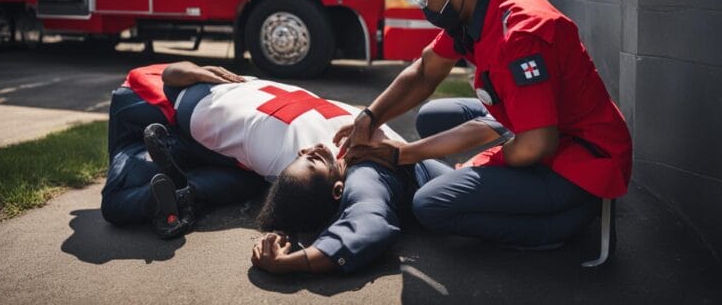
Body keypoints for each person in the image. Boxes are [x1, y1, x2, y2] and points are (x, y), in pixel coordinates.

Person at [337, 0, 633, 249]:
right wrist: (369, 117)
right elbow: (425, 72)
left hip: (580, 159)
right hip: (537, 122)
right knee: (431, 116)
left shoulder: (520, 36)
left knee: (430, 206)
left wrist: (409, 156)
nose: (420, 3)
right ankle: (515, 194)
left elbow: (537, 145)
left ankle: (561, 224)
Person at [100, 62, 456, 273]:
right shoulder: (370, 164)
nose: (310, 148)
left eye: (309, 158)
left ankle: (180, 187)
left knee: (116, 196)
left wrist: (291, 262)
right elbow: (367, 222)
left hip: (193, 105)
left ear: (338, 190)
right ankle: (183, 188)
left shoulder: (365, 170)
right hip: (193, 107)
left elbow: (367, 224)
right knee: (242, 175)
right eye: (310, 158)